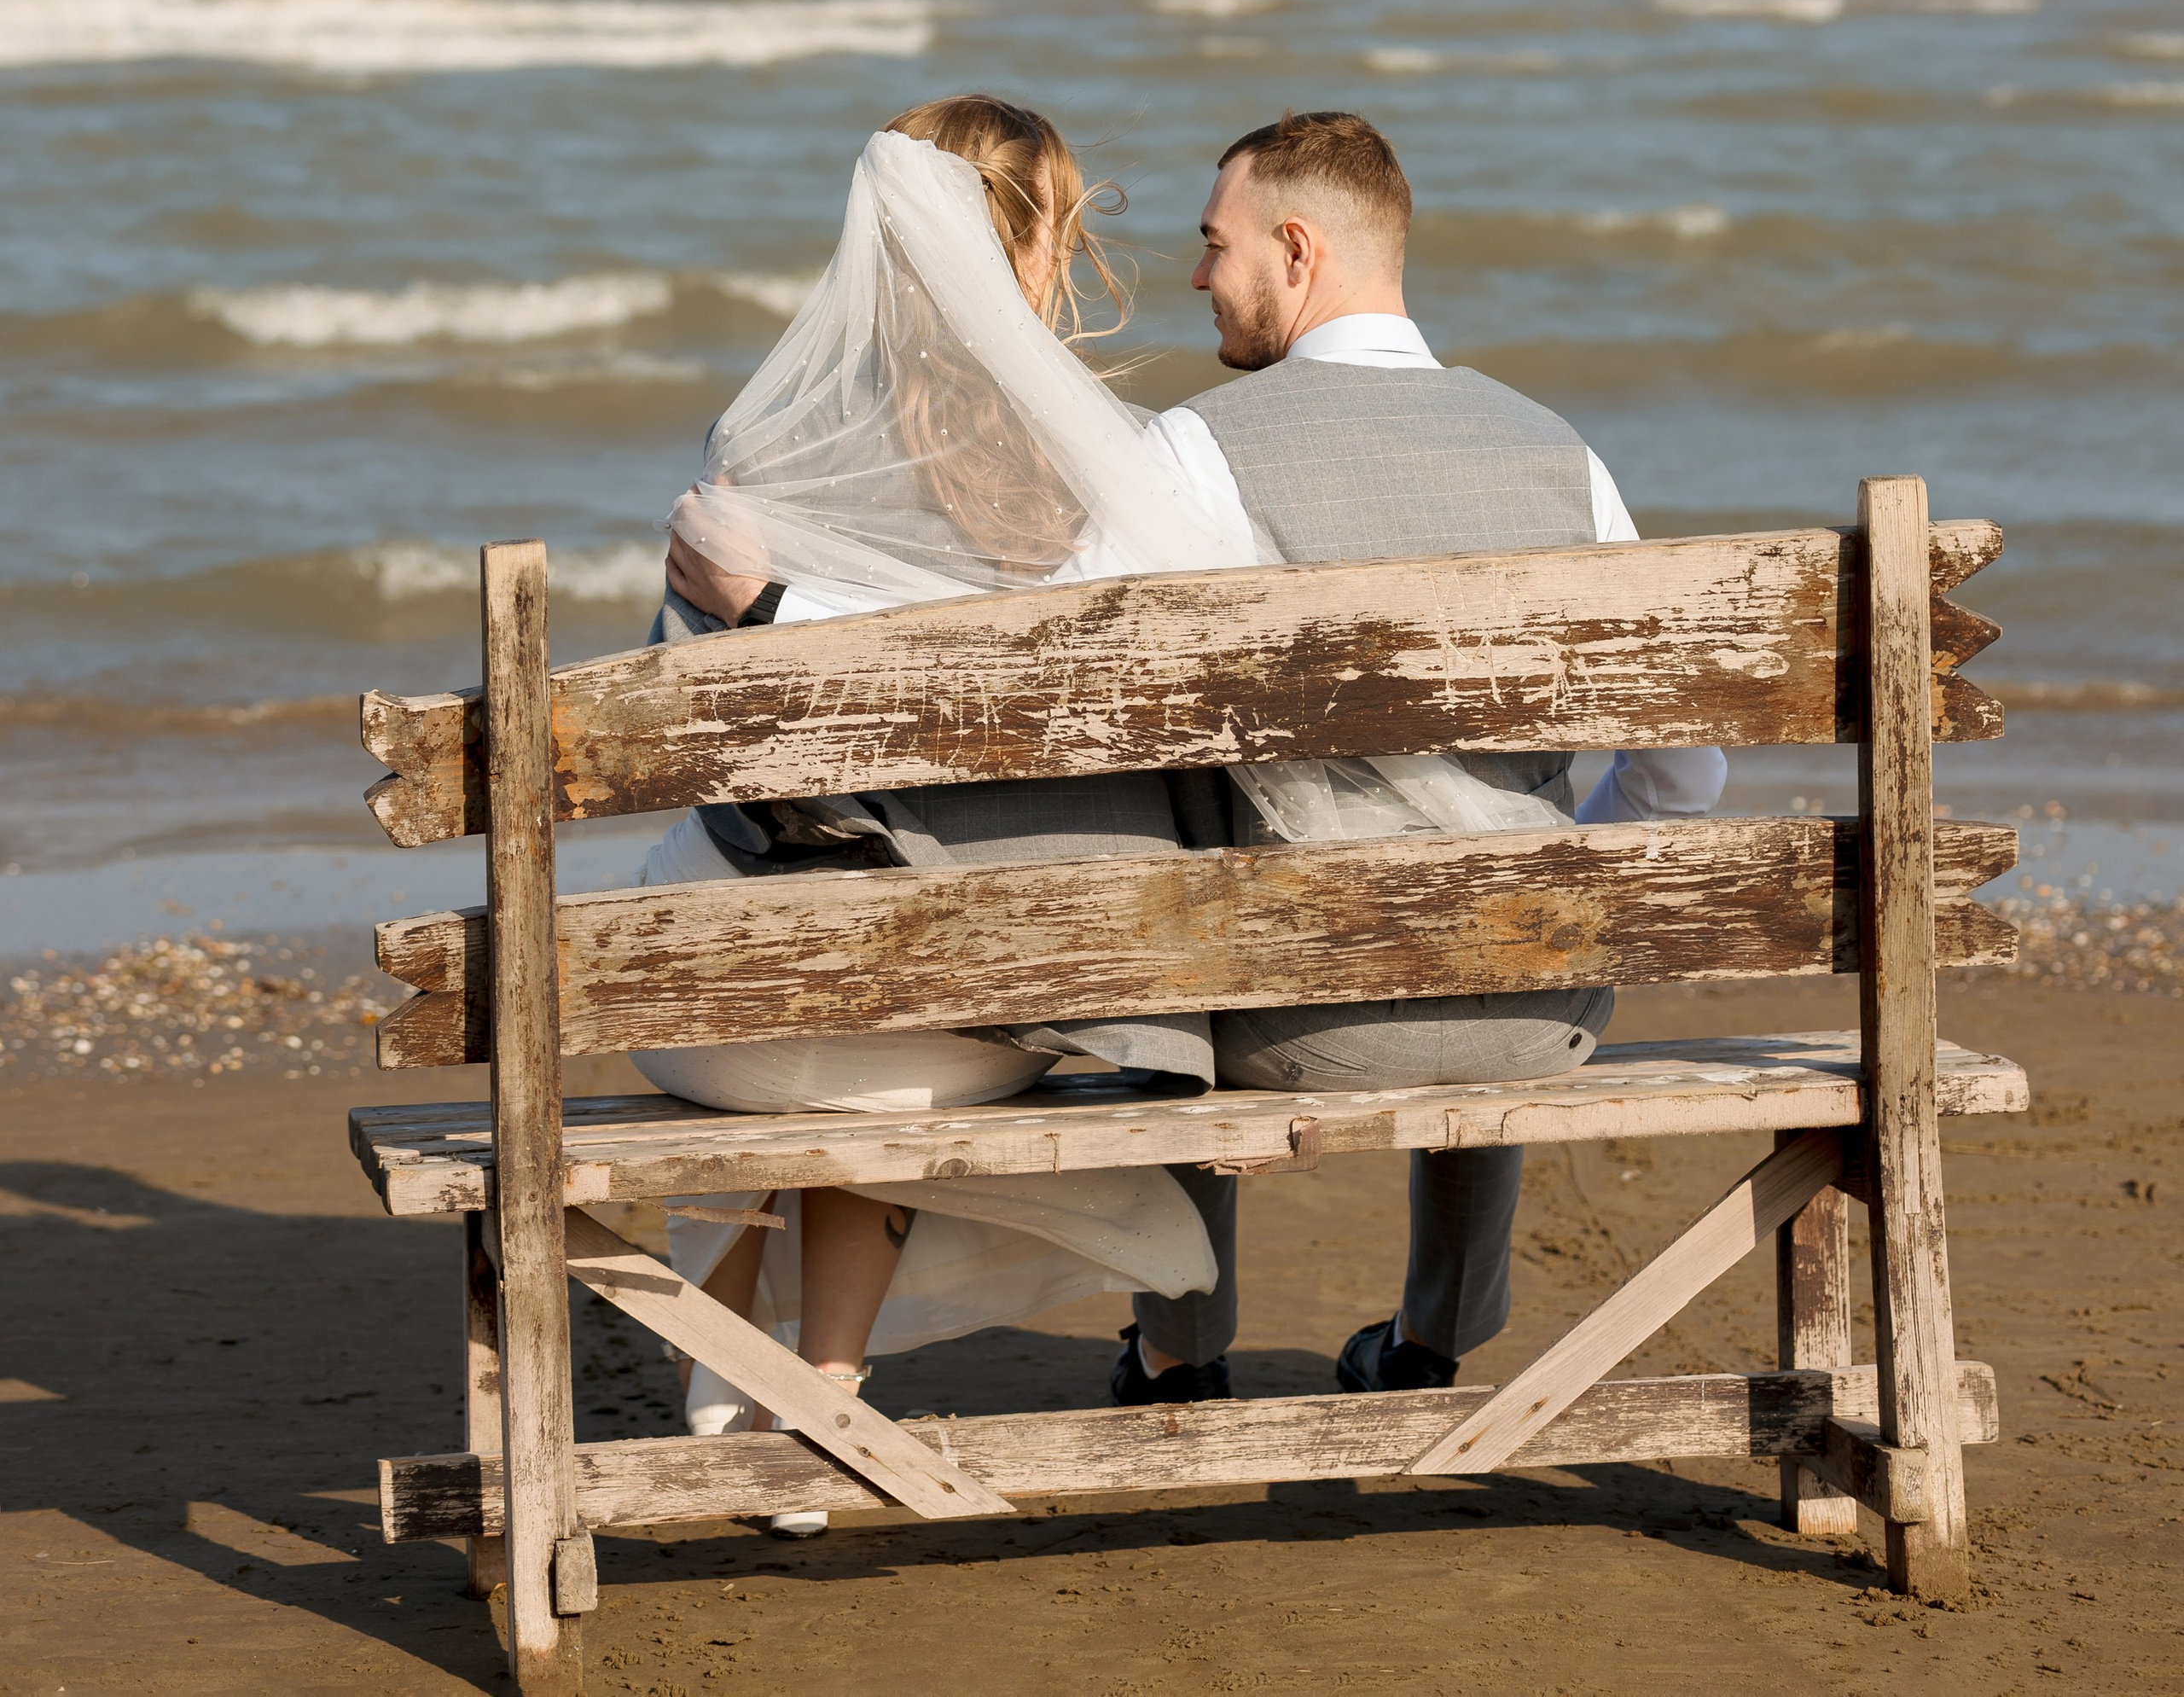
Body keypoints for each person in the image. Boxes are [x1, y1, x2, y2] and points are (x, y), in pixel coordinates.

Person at [631, 94, 1261, 1522]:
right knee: (902, 928)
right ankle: (825, 1384)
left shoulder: (767, 438)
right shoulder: (1124, 463)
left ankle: (729, 1360)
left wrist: (772, 608)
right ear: (1042, 246)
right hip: (981, 1028)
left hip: (738, 1024)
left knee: (734, 890)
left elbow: (688, 736)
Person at [1105, 108, 1727, 1409]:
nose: (1200, 275)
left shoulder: (1196, 450)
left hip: (1298, 1023)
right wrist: (1563, 889)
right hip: (1544, 1012)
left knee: (1158, 835)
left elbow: (1089, 722)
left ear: (1296, 248)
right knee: (1499, 871)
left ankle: (1179, 1348)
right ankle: (1432, 1337)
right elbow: (1685, 772)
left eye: (1215, 244)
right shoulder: (1561, 454)